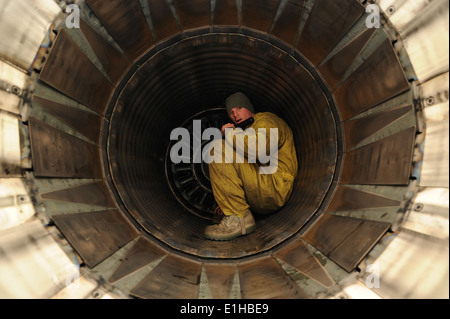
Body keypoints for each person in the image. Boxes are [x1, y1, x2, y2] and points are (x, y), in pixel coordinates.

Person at [204, 92, 298, 241]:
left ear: (249, 108)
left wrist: (230, 132)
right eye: (231, 112)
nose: (235, 115)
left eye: (239, 108)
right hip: (262, 188)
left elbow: (258, 149)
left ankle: (239, 219)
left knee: (218, 148)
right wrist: (227, 201)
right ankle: (236, 213)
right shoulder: (247, 130)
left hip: (274, 186)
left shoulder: (268, 120)